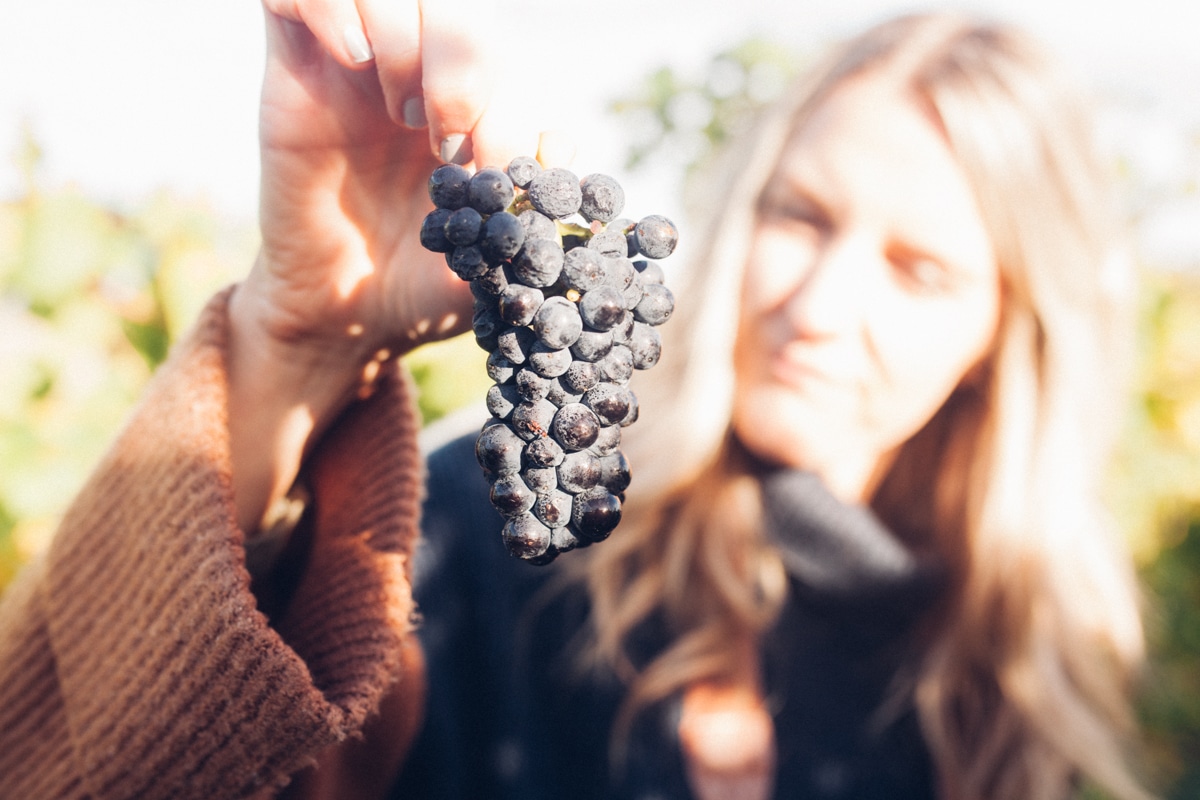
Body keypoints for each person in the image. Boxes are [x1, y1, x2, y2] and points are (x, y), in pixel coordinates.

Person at [0, 5, 1150, 800]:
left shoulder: (987, 662)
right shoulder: (503, 527)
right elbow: (84, 769)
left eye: (920, 268)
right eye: (798, 214)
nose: (822, 304)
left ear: (1007, 334)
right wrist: (297, 335)